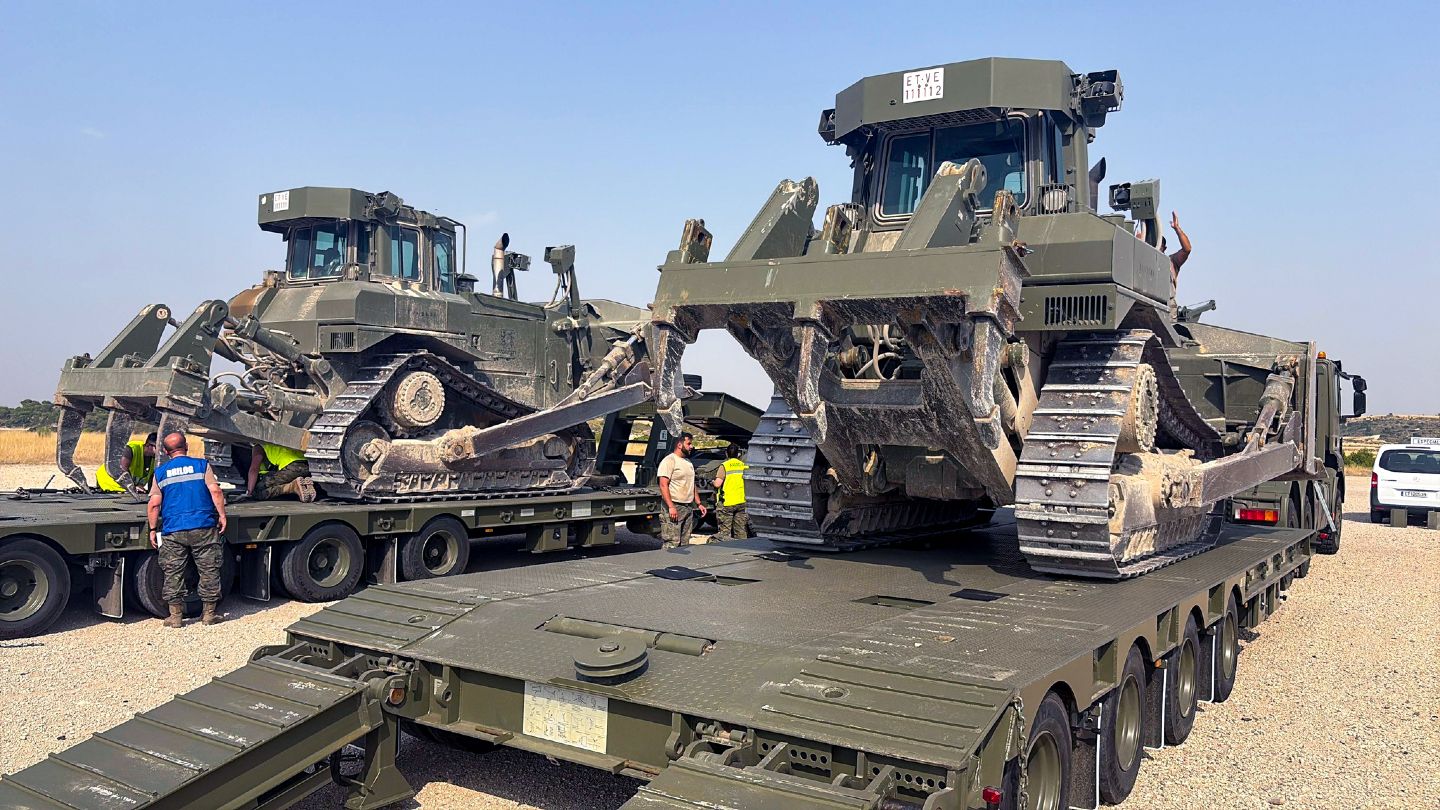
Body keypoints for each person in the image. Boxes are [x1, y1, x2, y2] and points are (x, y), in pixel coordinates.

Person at [146, 432, 228, 627]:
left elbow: (154, 505)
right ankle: (208, 615)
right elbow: (215, 491)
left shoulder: (161, 472)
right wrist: (222, 515)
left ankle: (175, 617)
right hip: (203, 526)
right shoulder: (202, 465)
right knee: (209, 570)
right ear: (187, 446)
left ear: (166, 452)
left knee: (173, 571)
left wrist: (152, 528)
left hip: (174, 529)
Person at [657, 432, 706, 548]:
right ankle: (667, 565)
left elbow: (691, 484)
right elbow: (663, 485)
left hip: (688, 507)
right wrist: (671, 506)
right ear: (679, 445)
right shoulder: (669, 461)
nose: (691, 446)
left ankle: (679, 565)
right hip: (675, 506)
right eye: (689, 444)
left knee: (685, 543)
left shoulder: (688, 462)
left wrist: (698, 503)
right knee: (672, 543)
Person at [246, 442, 317, 502]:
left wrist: (250, 492)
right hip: (308, 466)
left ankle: (292, 487)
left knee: (258, 492)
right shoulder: (280, 439)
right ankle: (305, 486)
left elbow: (254, 469)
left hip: (292, 468)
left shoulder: (259, 446)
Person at [711, 443, 752, 540]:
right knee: (741, 530)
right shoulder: (744, 466)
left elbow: (717, 484)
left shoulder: (725, 466)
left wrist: (712, 482)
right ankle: (741, 551)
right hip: (741, 502)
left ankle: (726, 552)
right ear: (738, 454)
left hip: (727, 503)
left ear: (726, 453)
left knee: (725, 532)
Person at [1162, 211, 1192, 318]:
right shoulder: (1142, 260)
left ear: (1164, 248)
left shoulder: (1171, 261)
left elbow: (1187, 249)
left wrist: (1177, 228)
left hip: (1167, 305)